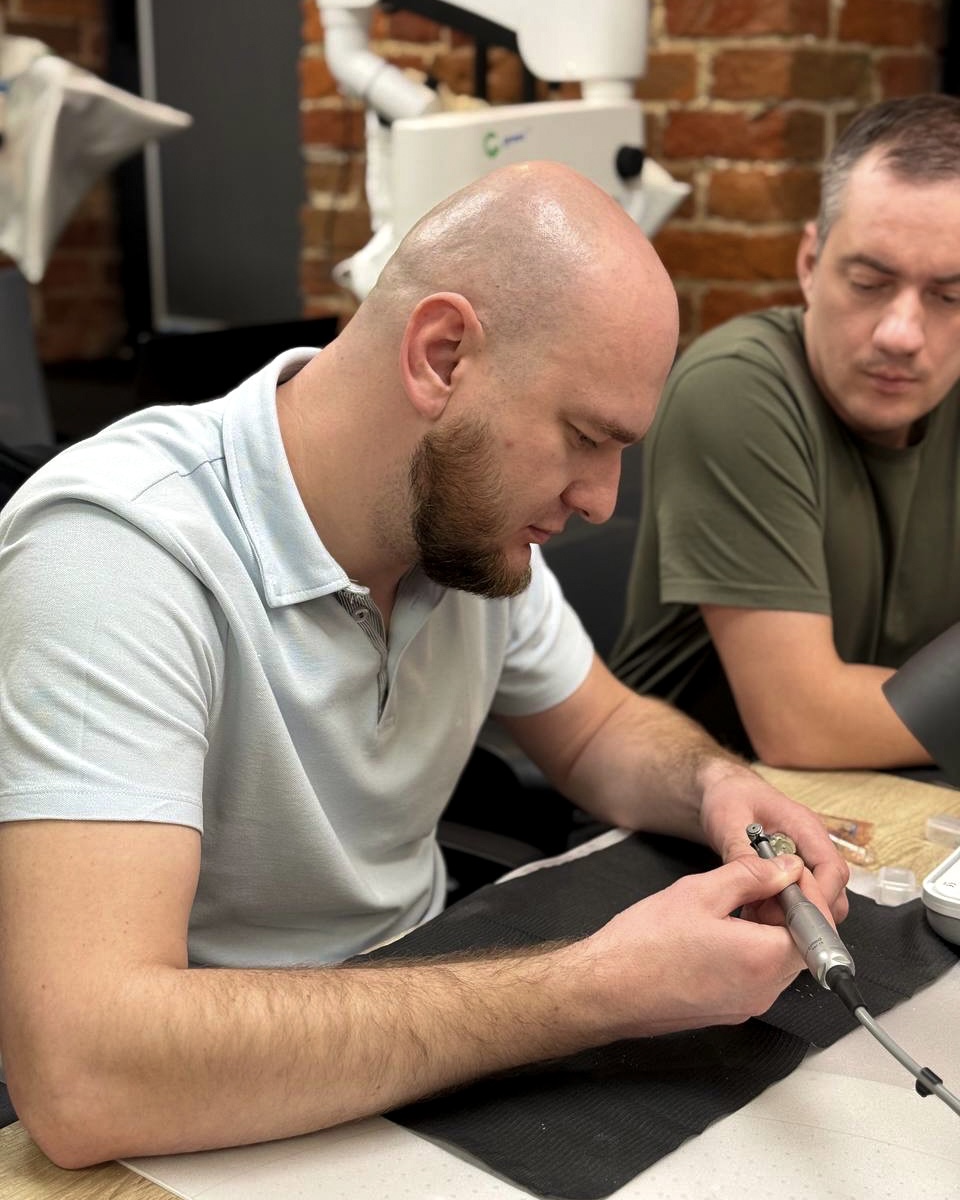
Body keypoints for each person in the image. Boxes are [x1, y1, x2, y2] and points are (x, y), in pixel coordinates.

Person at [0, 161, 847, 1169]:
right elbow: (86, 1073)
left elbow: (597, 730)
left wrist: (716, 787)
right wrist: (599, 989)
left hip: (432, 1043)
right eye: (585, 437)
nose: (602, 500)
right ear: (441, 355)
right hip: (204, 1118)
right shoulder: (118, 551)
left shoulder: (464, 529)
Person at [611, 94, 960, 770]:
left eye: (950, 297)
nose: (901, 334)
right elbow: (802, 724)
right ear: (809, 262)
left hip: (902, 791)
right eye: (869, 283)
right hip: (690, 807)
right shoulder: (737, 388)